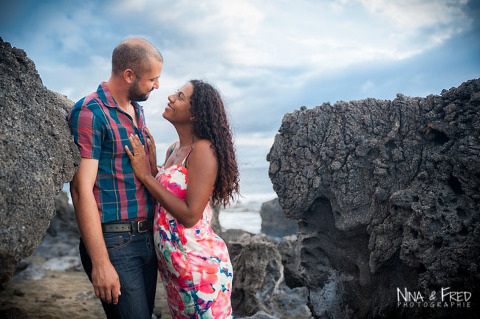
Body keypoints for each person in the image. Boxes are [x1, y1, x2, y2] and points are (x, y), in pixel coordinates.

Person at [125, 80, 239, 318]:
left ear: (195, 113)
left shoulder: (203, 150)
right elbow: (168, 196)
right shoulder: (175, 148)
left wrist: (145, 175)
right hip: (174, 267)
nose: (170, 98)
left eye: (180, 97)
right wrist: (153, 165)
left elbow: (189, 215)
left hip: (199, 267)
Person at [66, 37, 163, 319]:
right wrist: (100, 263)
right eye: (152, 79)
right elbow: (80, 189)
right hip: (115, 243)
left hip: (147, 240)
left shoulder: (137, 111)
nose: (157, 85)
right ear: (129, 75)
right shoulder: (90, 112)